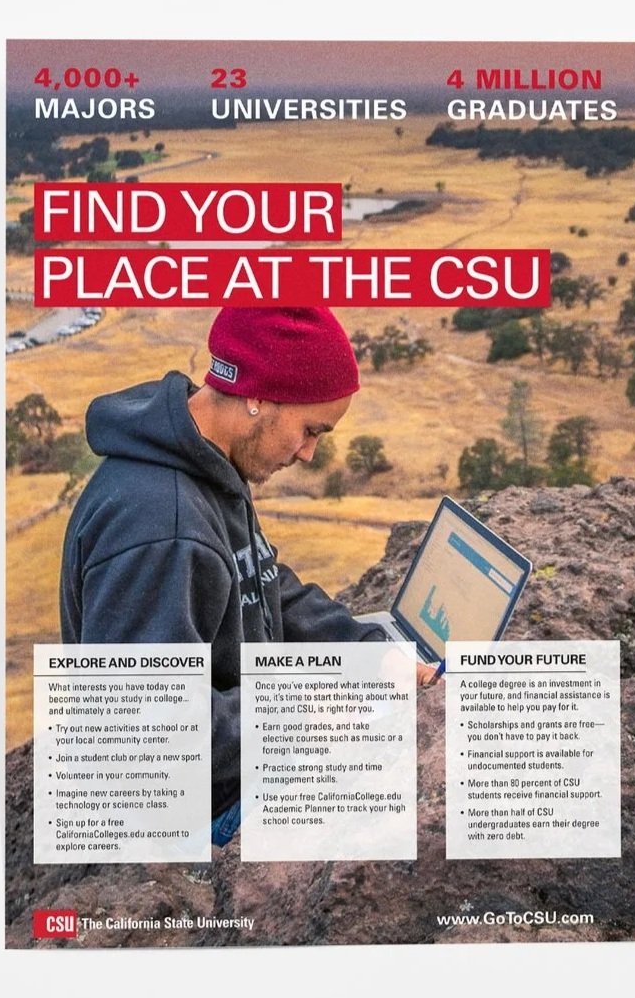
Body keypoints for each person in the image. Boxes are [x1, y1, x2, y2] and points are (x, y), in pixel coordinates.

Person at [60, 306, 438, 846]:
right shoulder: (161, 525)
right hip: (198, 814)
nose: (308, 453)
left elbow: (260, 583)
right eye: (311, 430)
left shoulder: (204, 460)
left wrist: (367, 651)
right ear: (259, 397)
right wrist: (308, 718)